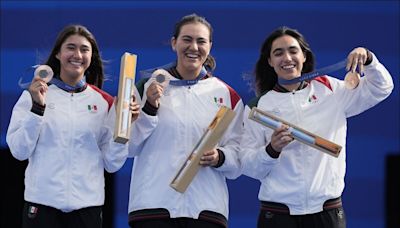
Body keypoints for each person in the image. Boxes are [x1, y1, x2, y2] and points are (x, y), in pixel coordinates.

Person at [240, 26, 393, 228]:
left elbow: (381, 88)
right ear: (269, 62)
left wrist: (369, 59)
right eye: (278, 53)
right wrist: (272, 150)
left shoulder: (330, 89)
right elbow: (248, 166)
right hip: (277, 214)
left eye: (293, 51)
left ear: (304, 56)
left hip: (327, 212)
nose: (287, 58)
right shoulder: (257, 107)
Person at [6, 24, 140, 228]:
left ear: (91, 57)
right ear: (58, 54)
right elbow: (19, 151)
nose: (77, 54)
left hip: (87, 208)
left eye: (84, 49)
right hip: (41, 204)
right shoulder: (32, 96)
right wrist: (37, 109)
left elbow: (112, 163)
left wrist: (124, 128)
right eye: (70, 47)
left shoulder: (104, 103)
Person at [127, 14, 244, 228]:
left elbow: (238, 158)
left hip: (206, 209)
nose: (194, 47)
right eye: (187, 39)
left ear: (210, 46)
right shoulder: (147, 86)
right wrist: (150, 108)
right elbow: (129, 146)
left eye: (201, 41)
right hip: (154, 206)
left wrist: (221, 157)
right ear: (174, 43)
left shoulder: (226, 95)